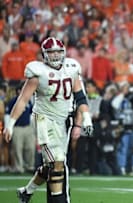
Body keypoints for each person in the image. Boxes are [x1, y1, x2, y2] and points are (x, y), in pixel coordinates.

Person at [2, 37, 93, 203]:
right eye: (51, 52)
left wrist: (86, 118)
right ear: (45, 54)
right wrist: (10, 124)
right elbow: (22, 100)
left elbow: (80, 97)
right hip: (44, 120)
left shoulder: (71, 68)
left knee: (51, 164)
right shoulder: (37, 72)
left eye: (58, 51)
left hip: (63, 120)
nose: (56, 55)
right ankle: (58, 200)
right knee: (57, 163)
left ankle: (27, 191)